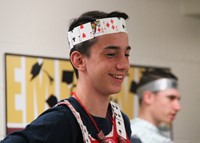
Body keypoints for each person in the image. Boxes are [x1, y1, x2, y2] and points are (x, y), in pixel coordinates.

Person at [1, 10, 139, 143]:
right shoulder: (61, 121)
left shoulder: (120, 120)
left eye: (126, 54)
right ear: (79, 60)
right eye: (111, 54)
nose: (124, 65)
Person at [130, 68, 181, 143]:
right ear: (148, 97)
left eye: (178, 99)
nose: (178, 107)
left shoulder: (122, 131)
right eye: (171, 98)